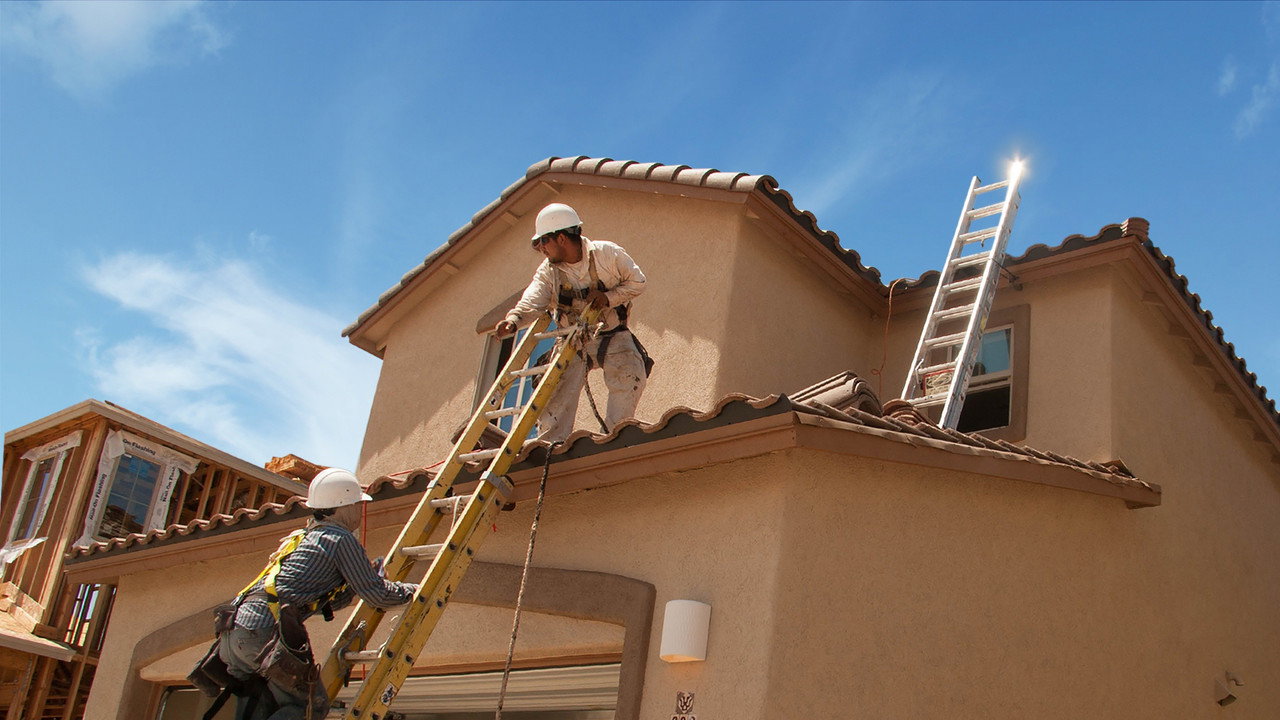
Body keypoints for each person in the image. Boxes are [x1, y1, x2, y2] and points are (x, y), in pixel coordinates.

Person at [217, 468, 416, 720]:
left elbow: (328, 602)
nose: (360, 511)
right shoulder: (339, 538)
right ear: (345, 505)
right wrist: (410, 591)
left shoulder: (306, 537)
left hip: (235, 634)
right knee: (310, 707)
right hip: (262, 634)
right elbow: (378, 596)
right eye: (357, 504)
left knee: (266, 706)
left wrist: (359, 581)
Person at [496, 202, 650, 441]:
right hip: (572, 341)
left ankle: (614, 436)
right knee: (555, 388)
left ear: (560, 238)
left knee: (630, 373)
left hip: (611, 333)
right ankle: (550, 443)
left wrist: (608, 298)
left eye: (543, 242)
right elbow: (533, 301)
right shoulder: (549, 272)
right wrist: (514, 320)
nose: (542, 250)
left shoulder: (607, 254)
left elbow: (637, 282)